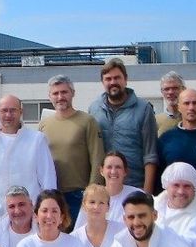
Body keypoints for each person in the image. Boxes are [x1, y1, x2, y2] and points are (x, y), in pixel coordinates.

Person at [0, 94, 57, 222]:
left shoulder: (36, 140)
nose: (8, 115)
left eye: (13, 110)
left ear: (21, 112)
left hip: (29, 216)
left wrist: (48, 211)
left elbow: (48, 178)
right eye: (4, 110)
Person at [37, 76, 104, 223]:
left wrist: (91, 194)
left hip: (79, 195)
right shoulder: (44, 125)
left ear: (72, 93)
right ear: (49, 97)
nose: (60, 97)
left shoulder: (87, 121)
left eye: (64, 92)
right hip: (53, 195)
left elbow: (97, 158)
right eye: (55, 93)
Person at [87, 58, 158, 193]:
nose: (113, 82)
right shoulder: (94, 109)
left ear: (125, 79)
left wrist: (147, 193)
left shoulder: (143, 109)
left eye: (117, 78)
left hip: (135, 185)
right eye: (108, 79)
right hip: (104, 188)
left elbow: (151, 155)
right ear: (102, 82)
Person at [154, 161, 196, 247]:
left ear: (194, 189)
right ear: (166, 186)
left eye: (187, 186)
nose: (181, 191)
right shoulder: (152, 204)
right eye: (176, 185)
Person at [100, 152, 135, 222]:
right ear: (101, 171)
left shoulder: (136, 195)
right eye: (109, 167)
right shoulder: (92, 198)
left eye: (118, 167)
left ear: (125, 171)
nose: (113, 171)